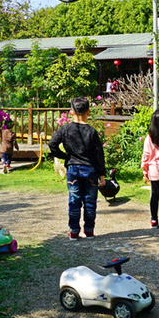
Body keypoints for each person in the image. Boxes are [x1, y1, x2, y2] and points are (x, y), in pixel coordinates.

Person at [48, 97, 106, 240]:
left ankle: (74, 231)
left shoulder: (65, 129)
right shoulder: (92, 132)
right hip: (90, 170)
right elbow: (99, 154)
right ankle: (89, 231)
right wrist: (102, 174)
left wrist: (65, 156)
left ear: (71, 112)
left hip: (73, 169)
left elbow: (52, 144)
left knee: (74, 201)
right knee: (90, 202)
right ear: (88, 112)